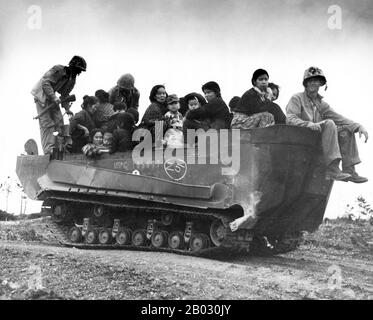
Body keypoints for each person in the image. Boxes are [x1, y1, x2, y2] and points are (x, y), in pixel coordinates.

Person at [286, 66, 369, 183]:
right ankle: (332, 168)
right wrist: (307, 124)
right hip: (301, 138)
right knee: (329, 123)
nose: (313, 83)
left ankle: (349, 169)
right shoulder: (297, 98)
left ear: (320, 83)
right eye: (310, 80)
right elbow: (290, 118)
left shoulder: (321, 104)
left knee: (345, 129)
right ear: (305, 83)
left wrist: (359, 126)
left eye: (316, 80)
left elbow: (340, 118)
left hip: (318, 139)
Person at [31, 55, 87, 154]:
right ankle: (49, 150)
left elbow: (65, 94)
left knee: (59, 122)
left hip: (52, 97)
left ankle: (60, 147)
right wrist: (54, 97)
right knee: (47, 124)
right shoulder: (58, 69)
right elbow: (45, 83)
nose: (79, 73)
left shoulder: (72, 79)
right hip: (41, 96)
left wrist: (66, 108)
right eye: (78, 70)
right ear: (73, 66)